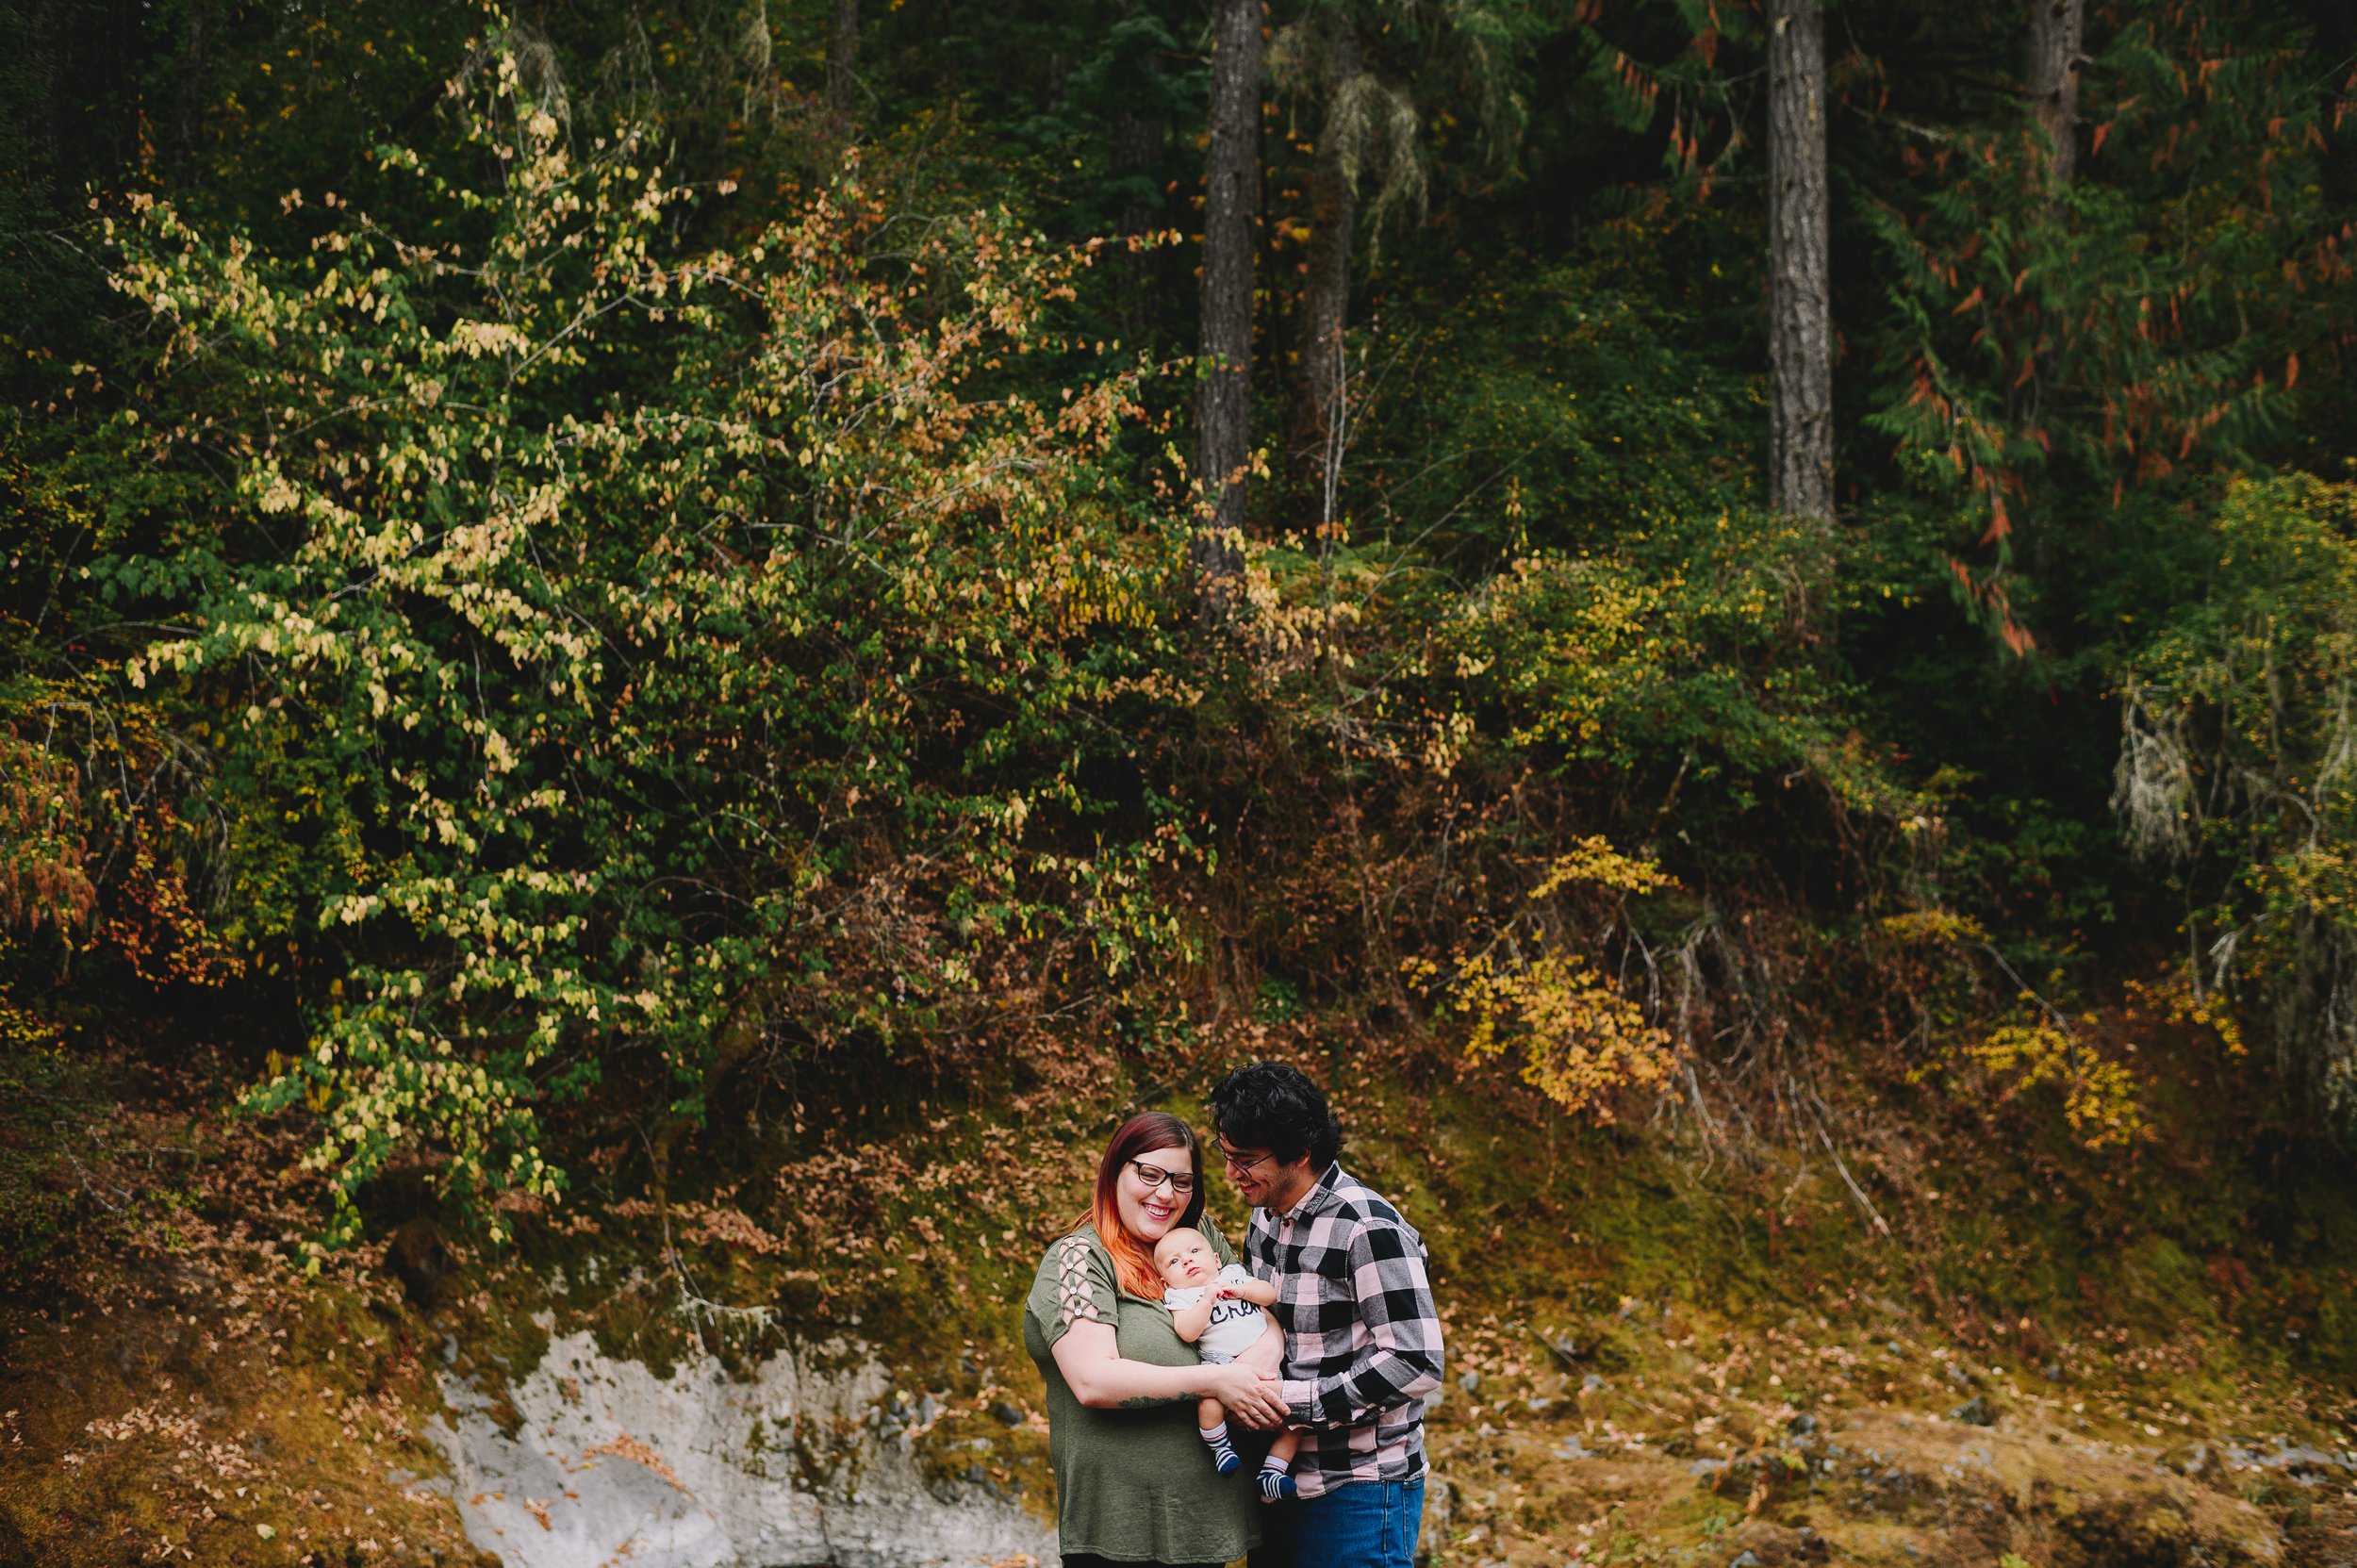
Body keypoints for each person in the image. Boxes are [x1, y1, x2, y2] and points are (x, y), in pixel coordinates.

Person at [1023, 1112, 1288, 1568]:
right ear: (1114, 1171)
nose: (1165, 1194)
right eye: (1149, 1173)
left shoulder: (1196, 1237)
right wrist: (1216, 1380)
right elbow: (1093, 1380)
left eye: (1182, 1181)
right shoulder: (1078, 1259)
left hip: (1205, 1524)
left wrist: (1265, 1355)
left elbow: (1254, 1312)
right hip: (1119, 1531)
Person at [1209, 1063, 1444, 1568]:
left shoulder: (1369, 1230)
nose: (1231, 1174)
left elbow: (1417, 1361)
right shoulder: (1264, 1214)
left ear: (1300, 1153)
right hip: (1275, 1481)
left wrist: (1290, 1403)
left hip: (1358, 1491)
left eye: (1245, 1160)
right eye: (1227, 1156)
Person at [1151, 1225, 1302, 1497]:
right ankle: (1221, 1449)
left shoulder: (1233, 1275)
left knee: (1296, 1422)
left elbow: (1269, 1294)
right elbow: (1186, 1331)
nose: (1187, 1260)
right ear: (1165, 1281)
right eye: (1174, 1261)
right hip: (1220, 1363)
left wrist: (1243, 1291)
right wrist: (1206, 1301)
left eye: (1195, 1251)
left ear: (1217, 1259)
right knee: (1208, 1404)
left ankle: (1273, 1472)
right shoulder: (1180, 1296)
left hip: (1267, 1364)